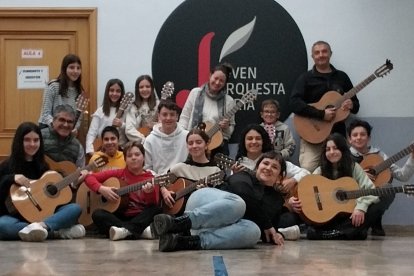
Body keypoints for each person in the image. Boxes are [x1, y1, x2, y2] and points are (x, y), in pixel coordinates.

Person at [153, 128, 261, 252]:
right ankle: (181, 222)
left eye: (198, 142)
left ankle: (189, 241)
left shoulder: (216, 171)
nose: (194, 146)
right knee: (239, 203)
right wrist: (164, 191)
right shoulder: (178, 168)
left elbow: (225, 200)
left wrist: (231, 178)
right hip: (191, 210)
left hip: (210, 220)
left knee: (253, 231)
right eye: (190, 143)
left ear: (206, 144)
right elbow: (161, 181)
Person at [0, 122, 85, 242]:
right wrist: (11, 178)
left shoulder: (43, 166)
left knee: (75, 208)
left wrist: (74, 184)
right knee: (3, 226)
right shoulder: (7, 165)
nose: (32, 144)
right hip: (15, 217)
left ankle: (41, 227)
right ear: (19, 142)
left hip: (42, 217)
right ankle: (56, 233)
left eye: (36, 140)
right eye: (27, 140)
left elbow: (57, 197)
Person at [290, 41, 359, 173]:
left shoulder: (342, 77)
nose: (321, 55)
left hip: (337, 135)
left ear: (330, 54)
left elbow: (356, 105)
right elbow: (294, 103)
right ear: (312, 56)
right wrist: (321, 114)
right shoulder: (306, 78)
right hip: (311, 135)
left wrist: (351, 104)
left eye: (324, 51)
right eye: (317, 52)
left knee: (342, 171)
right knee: (308, 170)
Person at [303, 133, 385, 240]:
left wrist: (361, 208)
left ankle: (331, 234)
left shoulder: (353, 167)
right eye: (328, 149)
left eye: (335, 148)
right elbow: (306, 187)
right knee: (360, 234)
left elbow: (370, 190)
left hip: (350, 216)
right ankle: (346, 232)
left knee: (379, 201)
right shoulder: (320, 170)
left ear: (343, 150)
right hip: (328, 218)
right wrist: (293, 200)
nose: (331, 152)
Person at [232, 124, 309, 229]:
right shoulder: (239, 166)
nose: (254, 142)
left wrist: (292, 181)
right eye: (249, 138)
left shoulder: (274, 159)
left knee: (292, 217)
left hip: (276, 206)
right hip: (255, 210)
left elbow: (306, 173)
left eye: (258, 138)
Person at [83, 141, 161, 241]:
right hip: (120, 215)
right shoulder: (118, 173)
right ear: (125, 159)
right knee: (97, 214)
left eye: (137, 154)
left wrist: (149, 193)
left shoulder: (151, 178)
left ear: (144, 158)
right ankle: (137, 232)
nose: (133, 157)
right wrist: (101, 189)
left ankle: (124, 231)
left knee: (156, 209)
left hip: (140, 217)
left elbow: (152, 203)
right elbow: (89, 177)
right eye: (129, 155)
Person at [347, 119, 414, 235]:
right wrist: (358, 176)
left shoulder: (380, 155)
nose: (358, 138)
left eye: (363, 134)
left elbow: (403, 176)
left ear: (369, 138)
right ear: (349, 139)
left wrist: (412, 157)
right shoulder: (345, 156)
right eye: (355, 135)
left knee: (387, 188)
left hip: (374, 196)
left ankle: (372, 220)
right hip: (352, 197)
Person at [179, 63, 235, 156]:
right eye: (216, 78)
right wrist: (184, 138)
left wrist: (226, 127)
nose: (217, 83)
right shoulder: (195, 93)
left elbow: (231, 128)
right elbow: (185, 117)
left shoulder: (229, 101)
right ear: (210, 76)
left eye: (221, 81)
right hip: (193, 145)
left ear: (225, 83)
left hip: (217, 147)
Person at [38, 54, 85, 131]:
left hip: (66, 130)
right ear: (64, 69)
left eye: (78, 68)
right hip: (48, 128)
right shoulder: (53, 86)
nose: (75, 71)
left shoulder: (80, 91)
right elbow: (45, 114)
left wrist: (75, 128)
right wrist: (58, 127)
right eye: (72, 67)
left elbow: (78, 117)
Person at [143, 100, 188, 174]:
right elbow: (147, 168)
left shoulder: (187, 137)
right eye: (164, 114)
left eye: (172, 114)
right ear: (159, 116)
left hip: (184, 181)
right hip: (159, 181)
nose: (168, 118)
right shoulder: (149, 140)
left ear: (177, 116)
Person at [85, 78, 128, 157]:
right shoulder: (100, 111)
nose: (114, 93)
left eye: (118, 91)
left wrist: (122, 124)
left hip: (121, 151)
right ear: (107, 92)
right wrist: (91, 152)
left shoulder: (126, 111)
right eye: (111, 90)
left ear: (122, 93)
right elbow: (91, 133)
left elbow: (131, 129)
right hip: (102, 151)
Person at [41, 104, 85, 169]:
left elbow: (80, 170)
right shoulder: (39, 137)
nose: (66, 125)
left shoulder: (78, 147)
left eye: (70, 122)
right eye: (62, 120)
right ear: (53, 121)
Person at [125, 75, 160, 144]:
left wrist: (155, 125)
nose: (144, 89)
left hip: (156, 142)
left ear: (152, 88)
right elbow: (129, 129)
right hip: (139, 144)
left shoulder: (159, 105)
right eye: (141, 87)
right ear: (137, 89)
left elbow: (164, 125)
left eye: (147, 86)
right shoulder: (133, 106)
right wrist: (144, 140)